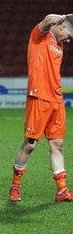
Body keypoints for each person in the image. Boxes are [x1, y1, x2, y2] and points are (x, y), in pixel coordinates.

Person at [9, 14, 73, 202]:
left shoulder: (59, 44)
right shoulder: (39, 36)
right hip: (38, 97)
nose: (68, 39)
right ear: (61, 25)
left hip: (56, 99)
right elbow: (46, 20)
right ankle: (15, 186)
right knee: (30, 144)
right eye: (69, 34)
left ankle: (62, 190)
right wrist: (61, 17)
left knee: (57, 144)